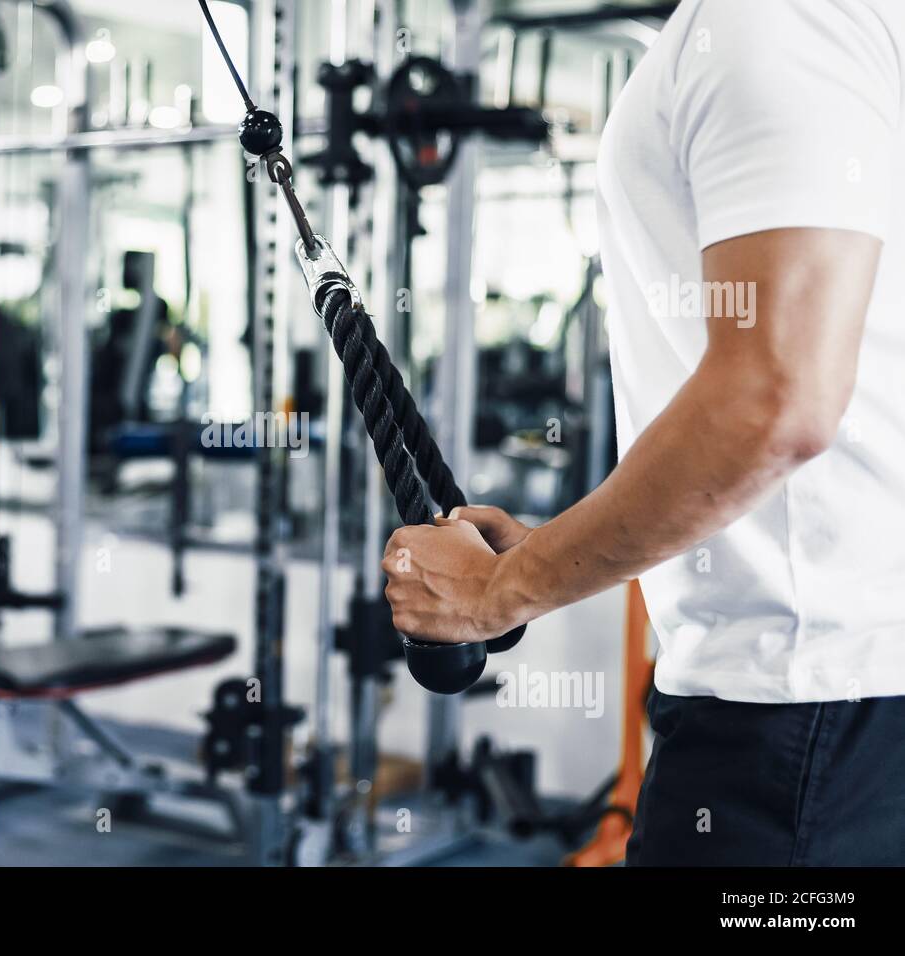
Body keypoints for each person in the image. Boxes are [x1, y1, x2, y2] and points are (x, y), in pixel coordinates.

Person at [382, 0, 904, 865]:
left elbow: (777, 400)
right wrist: (547, 551)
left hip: (802, 731)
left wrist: (497, 593)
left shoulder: (775, 18)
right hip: (834, 715)